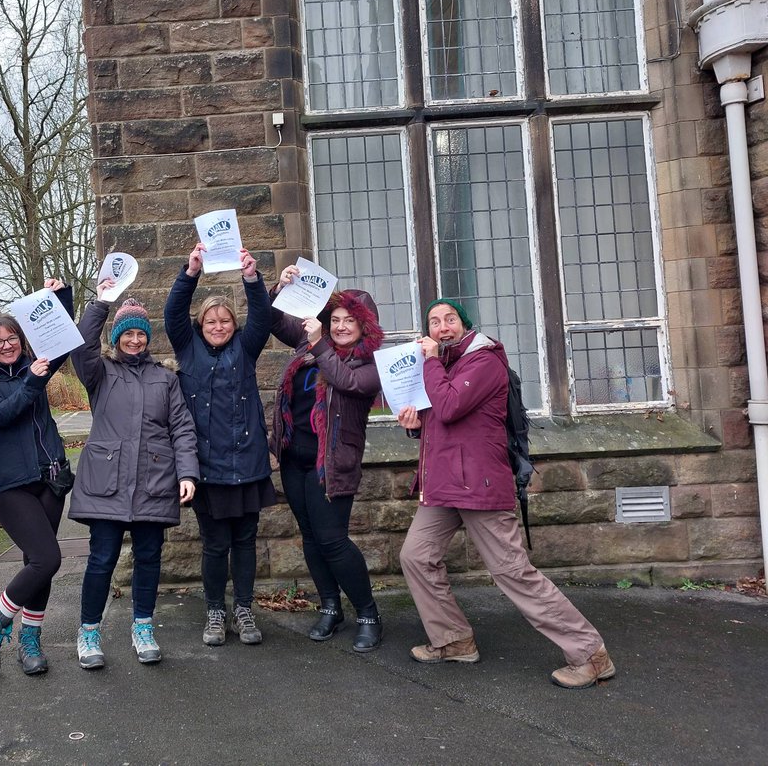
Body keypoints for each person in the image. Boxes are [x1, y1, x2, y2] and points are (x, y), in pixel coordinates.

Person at [398, 298, 617, 689]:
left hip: (479, 484)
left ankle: (589, 653)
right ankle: (453, 639)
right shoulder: (445, 365)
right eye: (434, 322)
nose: (442, 327)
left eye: (450, 319)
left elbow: (449, 407)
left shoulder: (484, 361)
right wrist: (414, 424)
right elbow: (442, 424)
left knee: (512, 572)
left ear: (465, 325)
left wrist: (429, 362)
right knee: (416, 556)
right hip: (445, 485)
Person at [70, 287, 200, 669]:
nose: (134, 339)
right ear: (116, 336)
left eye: (141, 333)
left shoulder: (165, 378)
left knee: (149, 557)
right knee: (102, 559)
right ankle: (89, 631)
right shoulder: (99, 372)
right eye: (127, 333)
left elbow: (182, 428)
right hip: (106, 482)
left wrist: (188, 472)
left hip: (154, 480)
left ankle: (143, 626)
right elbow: (81, 346)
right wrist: (101, 303)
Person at [269, 265, 386, 653]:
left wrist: (319, 342)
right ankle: (330, 606)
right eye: (334, 319)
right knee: (310, 537)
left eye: (348, 320)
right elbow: (272, 318)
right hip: (294, 458)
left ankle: (368, 613)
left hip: (331, 463)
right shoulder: (308, 346)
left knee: (333, 540)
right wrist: (276, 286)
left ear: (363, 326)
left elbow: (343, 381)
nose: (339, 326)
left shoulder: (369, 366)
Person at [164, 243, 276, 646]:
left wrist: (251, 278)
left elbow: (261, 317)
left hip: (247, 465)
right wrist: (190, 271)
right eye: (210, 320)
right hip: (207, 468)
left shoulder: (245, 350)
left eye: (225, 319)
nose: (218, 325)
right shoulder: (187, 349)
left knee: (245, 542)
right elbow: (172, 313)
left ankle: (243, 610)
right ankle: (215, 611)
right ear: (201, 324)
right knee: (215, 545)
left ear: (233, 324)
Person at [0, 279, 74, 678]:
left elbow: (62, 337)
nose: (7, 345)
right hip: (10, 484)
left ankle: (30, 640)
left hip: (49, 478)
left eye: (13, 337)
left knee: (38, 563)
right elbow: (2, 414)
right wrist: (33, 378)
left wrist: (60, 297)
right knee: (49, 558)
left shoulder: (39, 362)